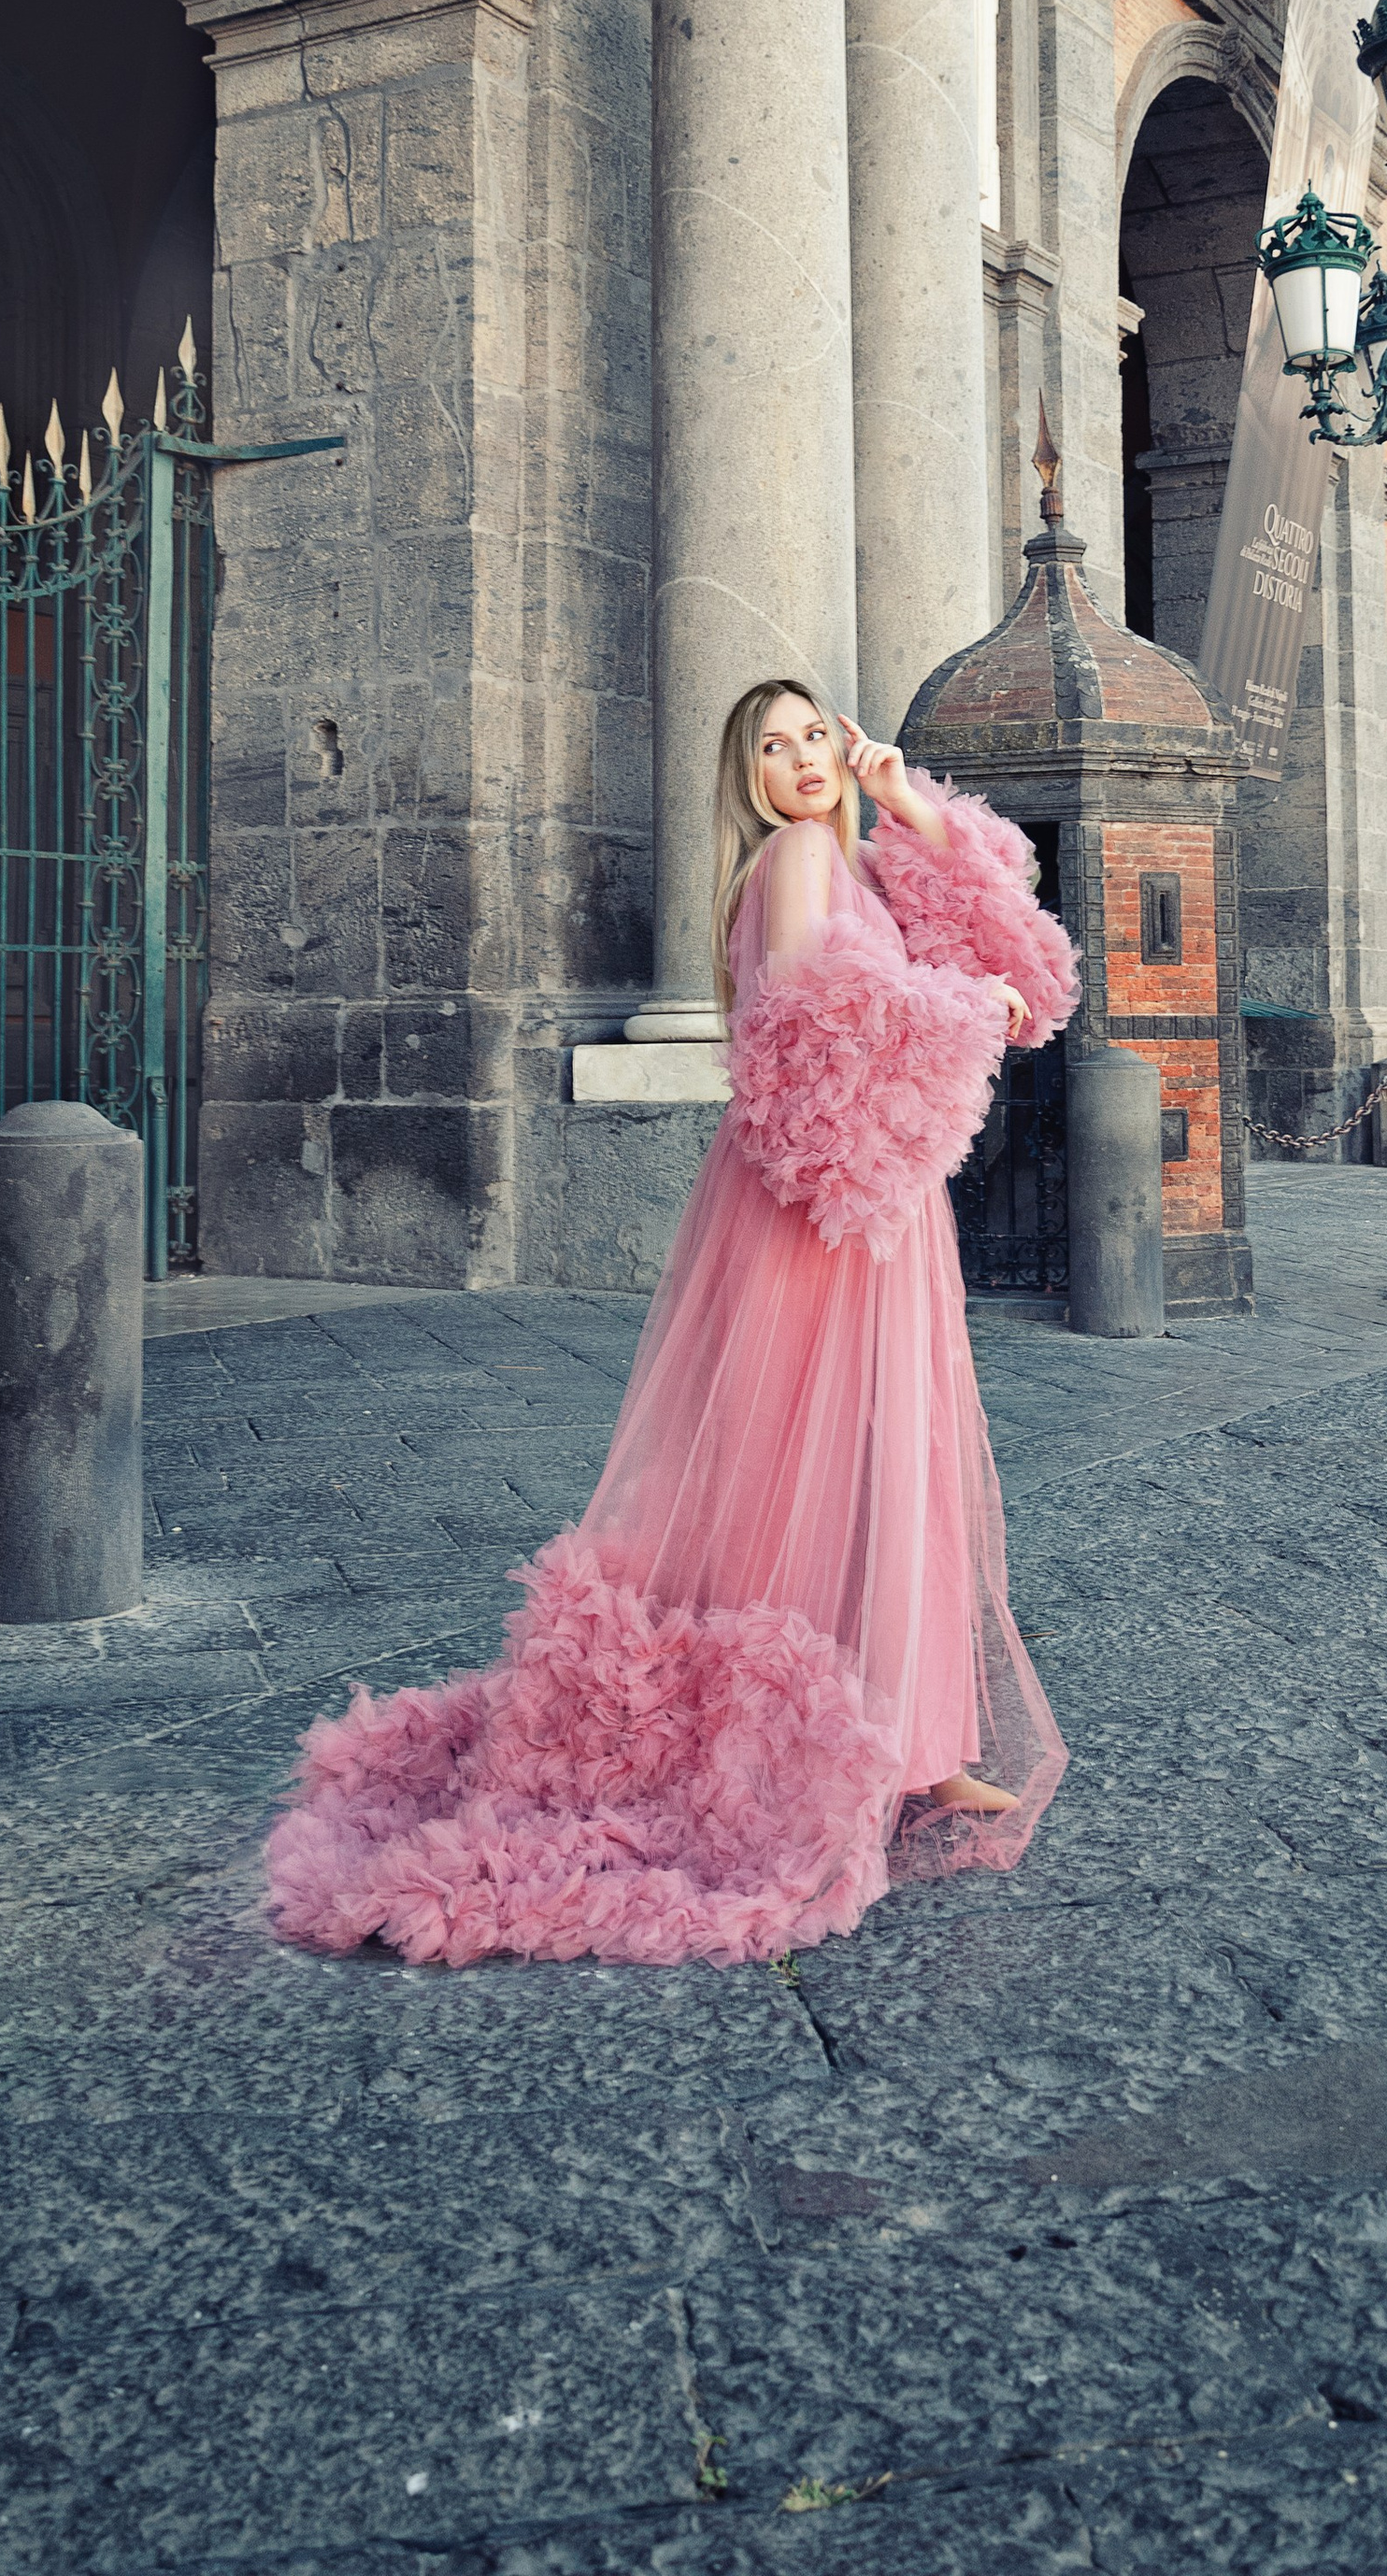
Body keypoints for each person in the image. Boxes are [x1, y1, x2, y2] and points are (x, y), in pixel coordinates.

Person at [264, 680, 1079, 1970]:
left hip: (865, 1199)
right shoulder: (797, 861)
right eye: (775, 745)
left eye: (817, 735)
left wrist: (907, 799)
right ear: (745, 776)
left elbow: (1021, 949)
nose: (805, 761)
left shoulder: (853, 850)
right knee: (827, 1461)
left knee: (871, 1458)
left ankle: (913, 1746)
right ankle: (846, 1750)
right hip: (821, 1208)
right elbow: (824, 1009)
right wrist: (972, 1015)